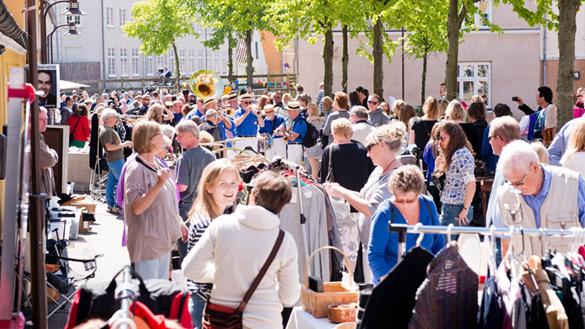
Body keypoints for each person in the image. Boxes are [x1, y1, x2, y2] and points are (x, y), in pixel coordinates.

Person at [182, 171, 300, 329]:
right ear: (282, 205)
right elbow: (289, 297)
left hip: (221, 319)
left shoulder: (222, 225)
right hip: (264, 322)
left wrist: (220, 273)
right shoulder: (285, 241)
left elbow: (190, 269)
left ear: (252, 194)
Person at [324, 122, 404, 282]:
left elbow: (372, 209)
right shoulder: (379, 170)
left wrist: (342, 192)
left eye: (369, 148)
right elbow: (363, 196)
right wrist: (339, 190)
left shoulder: (394, 176)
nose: (367, 154)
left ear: (382, 145)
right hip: (372, 247)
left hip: (385, 251)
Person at [493, 140, 585, 256]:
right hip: (524, 272)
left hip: (567, 272)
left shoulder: (572, 184)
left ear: (535, 167)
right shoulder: (504, 195)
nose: (516, 189)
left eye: (519, 182)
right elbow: (505, 243)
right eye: (511, 183)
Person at [123, 121, 184, 280]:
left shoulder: (155, 163)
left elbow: (165, 201)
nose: (163, 139)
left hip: (162, 241)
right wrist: (158, 184)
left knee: (159, 293)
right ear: (150, 139)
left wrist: (178, 221)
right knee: (148, 295)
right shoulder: (136, 168)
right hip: (148, 243)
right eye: (160, 135)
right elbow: (136, 208)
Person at [185, 159, 240, 329]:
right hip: (206, 302)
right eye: (222, 184)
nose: (230, 188)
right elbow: (203, 268)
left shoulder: (222, 215)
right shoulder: (206, 223)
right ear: (209, 187)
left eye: (233, 183)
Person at [368, 165, 445, 283]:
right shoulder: (384, 213)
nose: (404, 205)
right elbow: (375, 255)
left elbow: (438, 244)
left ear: (419, 194)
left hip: (424, 283)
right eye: (399, 201)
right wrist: (388, 282)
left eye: (409, 201)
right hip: (391, 282)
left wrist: (436, 273)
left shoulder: (429, 205)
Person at [175, 120, 216, 261]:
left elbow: (181, 187)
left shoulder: (184, 158)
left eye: (180, 135)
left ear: (190, 135)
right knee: (204, 253)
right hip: (206, 208)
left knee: (186, 255)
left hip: (187, 211)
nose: (177, 138)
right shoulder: (210, 155)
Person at [434, 121, 476, 229]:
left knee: (446, 243)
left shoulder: (459, 154)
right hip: (456, 207)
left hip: (455, 208)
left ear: (453, 138)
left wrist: (465, 209)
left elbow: (471, 183)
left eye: (443, 138)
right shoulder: (461, 152)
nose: (440, 142)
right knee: (458, 244)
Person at [484, 116, 521, 227]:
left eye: (490, 138)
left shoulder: (513, 165)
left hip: (504, 234)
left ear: (499, 139)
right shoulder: (507, 161)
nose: (489, 142)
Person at [320, 118, 374, 189]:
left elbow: (324, 174)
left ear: (334, 132)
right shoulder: (361, 147)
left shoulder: (329, 150)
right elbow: (371, 169)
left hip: (338, 193)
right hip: (360, 191)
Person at [100, 109, 132, 214]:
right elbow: (109, 147)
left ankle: (111, 205)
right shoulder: (107, 131)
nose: (116, 119)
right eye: (114, 117)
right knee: (121, 182)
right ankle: (116, 205)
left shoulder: (107, 130)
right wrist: (124, 144)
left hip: (114, 159)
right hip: (115, 160)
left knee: (111, 183)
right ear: (109, 118)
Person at [276, 101, 307, 165]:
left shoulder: (300, 122)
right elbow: (289, 139)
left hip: (296, 147)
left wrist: (284, 131)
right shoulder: (295, 121)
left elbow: (292, 138)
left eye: (289, 111)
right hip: (292, 147)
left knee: (296, 167)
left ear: (295, 111)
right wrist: (281, 134)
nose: (288, 113)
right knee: (291, 168)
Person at [38, 107, 59, 198]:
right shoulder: (32, 137)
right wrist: (52, 152)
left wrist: (51, 153)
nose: (45, 123)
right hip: (37, 193)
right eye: (41, 120)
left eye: (46, 119)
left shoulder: (39, 136)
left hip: (42, 192)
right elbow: (49, 160)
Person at [305, 103, 325, 179]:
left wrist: (317, 118)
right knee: (315, 166)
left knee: (314, 167)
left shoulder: (311, 119)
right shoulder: (317, 119)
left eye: (308, 109)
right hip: (316, 144)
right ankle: (316, 181)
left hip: (312, 144)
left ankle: (315, 183)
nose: (307, 110)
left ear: (313, 109)